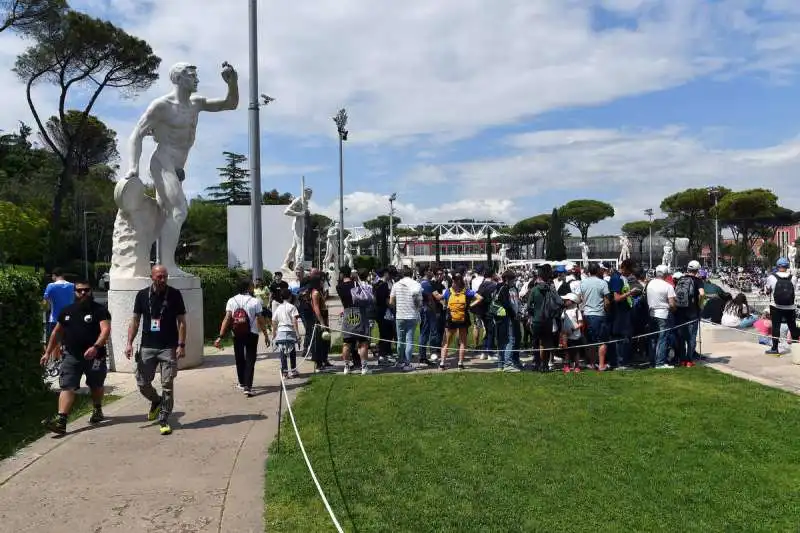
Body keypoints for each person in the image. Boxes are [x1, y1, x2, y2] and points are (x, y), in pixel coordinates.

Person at [40, 281, 110, 435]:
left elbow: (105, 330)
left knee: (96, 385)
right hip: (71, 355)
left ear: (90, 291)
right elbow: (57, 332)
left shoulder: (99, 310)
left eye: (86, 290)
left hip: (95, 356)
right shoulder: (67, 311)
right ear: (75, 292)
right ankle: (61, 422)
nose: (83, 293)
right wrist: (48, 352)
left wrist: (96, 347)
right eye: (79, 291)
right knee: (67, 386)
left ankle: (97, 409)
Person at [124, 265, 187, 435]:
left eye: (165, 276)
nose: (163, 280)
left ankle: (164, 418)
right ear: (151, 277)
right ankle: (156, 401)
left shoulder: (174, 294)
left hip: (168, 347)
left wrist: (181, 345)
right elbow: (135, 321)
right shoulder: (142, 295)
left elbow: (181, 321)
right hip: (147, 346)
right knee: (142, 382)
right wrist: (129, 343)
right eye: (159, 277)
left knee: (167, 384)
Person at [214, 278, 270, 396]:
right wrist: (265, 335)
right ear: (248, 287)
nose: (253, 287)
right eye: (251, 285)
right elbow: (260, 320)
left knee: (239, 358)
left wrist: (220, 336)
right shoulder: (255, 301)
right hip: (252, 333)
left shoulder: (232, 300)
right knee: (250, 359)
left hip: (237, 333)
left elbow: (227, 319)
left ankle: (241, 382)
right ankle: (248, 387)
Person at [438, 272, 483, 370]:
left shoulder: (448, 291)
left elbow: (441, 298)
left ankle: (442, 363)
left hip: (451, 318)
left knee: (446, 342)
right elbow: (480, 298)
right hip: (463, 318)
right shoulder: (466, 291)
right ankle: (460, 363)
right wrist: (470, 305)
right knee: (463, 341)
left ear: (453, 281)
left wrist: (442, 302)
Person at [336, 265, 371, 375]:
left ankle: (346, 367)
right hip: (359, 312)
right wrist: (356, 279)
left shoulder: (339, 287)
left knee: (347, 342)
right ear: (350, 274)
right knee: (363, 342)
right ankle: (364, 367)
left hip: (347, 312)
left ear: (342, 274)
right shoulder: (355, 283)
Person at [764, 257, 799, 355]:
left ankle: (775, 349)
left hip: (776, 306)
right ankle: (797, 348)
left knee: (776, 327)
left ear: (777, 266)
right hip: (790, 306)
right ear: (787, 266)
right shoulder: (793, 278)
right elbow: (794, 290)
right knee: (792, 327)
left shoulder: (771, 277)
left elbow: (767, 291)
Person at [390, 266, 423, 371]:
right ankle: (407, 363)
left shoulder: (396, 285)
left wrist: (398, 306)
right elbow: (419, 302)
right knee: (409, 340)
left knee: (400, 340)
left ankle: (400, 361)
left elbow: (391, 301)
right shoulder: (416, 284)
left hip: (400, 315)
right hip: (412, 315)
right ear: (411, 274)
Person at [646, 265, 677, 369]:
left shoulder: (650, 283)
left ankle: (652, 361)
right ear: (666, 274)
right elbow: (672, 304)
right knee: (662, 338)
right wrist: (673, 310)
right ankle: (660, 362)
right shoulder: (668, 286)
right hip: (663, 314)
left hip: (651, 313)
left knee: (653, 338)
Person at [272, 287, 301, 378]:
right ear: (290, 297)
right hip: (289, 331)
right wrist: (297, 334)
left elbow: (274, 321)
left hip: (280, 331)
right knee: (292, 351)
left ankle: (285, 372)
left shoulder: (278, 308)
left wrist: (274, 334)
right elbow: (294, 321)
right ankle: (293, 370)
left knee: (282, 352)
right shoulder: (292, 307)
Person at [43, 268, 74, 341]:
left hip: (55, 319)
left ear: (54, 276)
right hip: (69, 319)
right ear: (63, 275)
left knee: (54, 344)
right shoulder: (72, 285)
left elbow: (45, 302)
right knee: (68, 344)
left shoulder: (51, 286)